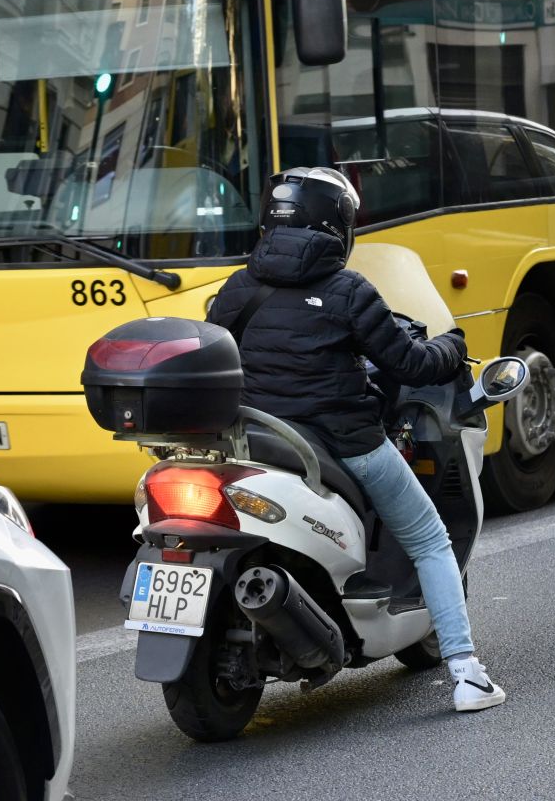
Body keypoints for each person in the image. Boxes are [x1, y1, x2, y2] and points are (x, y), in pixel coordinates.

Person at [206, 167, 508, 713]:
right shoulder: (347, 291)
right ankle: (467, 675)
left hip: (255, 440)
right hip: (346, 443)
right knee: (430, 539)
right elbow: (410, 363)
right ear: (337, 226)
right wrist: (452, 345)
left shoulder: (238, 287)